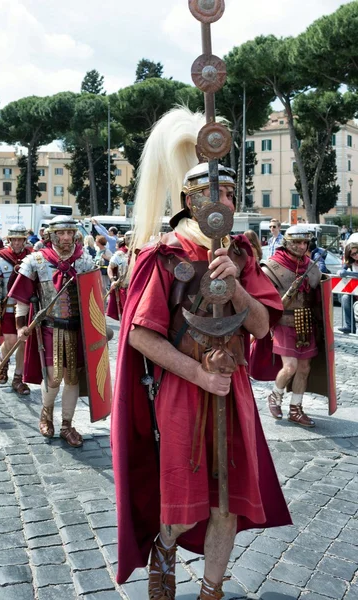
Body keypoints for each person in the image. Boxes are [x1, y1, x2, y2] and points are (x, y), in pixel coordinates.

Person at [111, 107, 291, 600]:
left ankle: (212, 590)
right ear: (190, 200)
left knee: (227, 502)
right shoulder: (164, 255)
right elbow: (140, 336)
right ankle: (164, 547)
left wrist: (235, 286)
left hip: (232, 389)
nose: (224, 200)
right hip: (182, 391)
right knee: (183, 500)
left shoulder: (242, 254)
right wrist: (195, 373)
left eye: (231, 192)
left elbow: (261, 326)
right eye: (214, 192)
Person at [8, 216, 97, 447]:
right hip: (49, 328)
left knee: (72, 377)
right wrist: (20, 326)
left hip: (77, 329)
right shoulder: (36, 261)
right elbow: (24, 299)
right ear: (51, 235)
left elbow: (95, 297)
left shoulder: (85, 261)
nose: (66, 237)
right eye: (61, 233)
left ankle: (67, 424)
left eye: (69, 232)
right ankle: (46, 414)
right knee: (54, 376)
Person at [262, 226, 322, 427]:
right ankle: (275, 396)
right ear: (287, 243)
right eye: (296, 242)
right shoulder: (272, 267)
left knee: (304, 368)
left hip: (305, 321)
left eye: (305, 242)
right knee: (290, 367)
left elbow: (319, 298)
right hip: (283, 321)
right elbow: (266, 300)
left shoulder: (312, 268)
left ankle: (296, 408)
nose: (301, 246)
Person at [0, 224, 33, 395]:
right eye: (14, 239)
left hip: (27, 307)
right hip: (7, 307)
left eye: (20, 239)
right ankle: (3, 361)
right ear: (9, 240)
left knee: (23, 343)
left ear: (24, 240)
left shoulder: (32, 256)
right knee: (11, 340)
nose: (17, 243)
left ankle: (18, 378)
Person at [338, 241, 358, 334]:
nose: (356, 255)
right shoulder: (350, 263)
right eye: (353, 254)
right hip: (355, 292)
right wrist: (341, 271)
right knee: (345, 297)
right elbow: (342, 270)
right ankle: (350, 326)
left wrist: (348, 273)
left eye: (357, 252)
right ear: (350, 256)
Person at [106, 238, 128, 321]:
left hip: (137, 287)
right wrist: (113, 280)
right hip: (124, 287)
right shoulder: (119, 254)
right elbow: (110, 267)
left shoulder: (138, 252)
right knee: (126, 313)